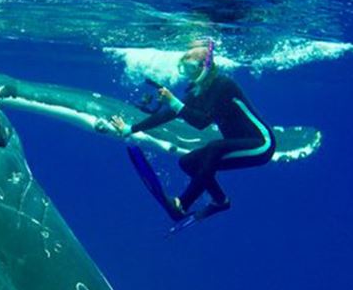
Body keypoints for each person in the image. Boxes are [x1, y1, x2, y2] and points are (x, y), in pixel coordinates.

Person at [111, 39, 275, 220]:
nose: (186, 73)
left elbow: (201, 122)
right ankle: (201, 204)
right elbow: (168, 114)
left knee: (214, 148)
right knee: (187, 163)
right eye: (183, 68)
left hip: (261, 144)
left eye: (189, 67)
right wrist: (131, 129)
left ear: (204, 67)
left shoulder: (223, 85)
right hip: (238, 145)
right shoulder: (198, 91)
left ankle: (193, 203)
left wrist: (174, 102)